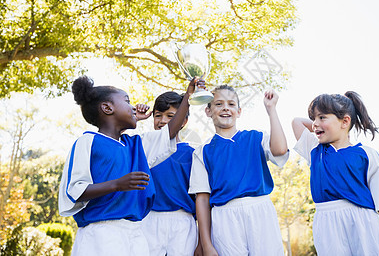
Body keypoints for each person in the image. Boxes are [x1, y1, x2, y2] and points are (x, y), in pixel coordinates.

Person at [58, 75, 197, 256]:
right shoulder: (88, 141)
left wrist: (188, 95)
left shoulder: (135, 145)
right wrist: (117, 184)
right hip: (101, 233)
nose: (133, 106)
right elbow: (75, 190)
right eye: (126, 101)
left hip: (135, 233)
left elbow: (170, 131)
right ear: (107, 108)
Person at [291, 91, 379, 256]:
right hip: (327, 225)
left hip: (363, 224)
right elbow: (296, 122)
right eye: (313, 118)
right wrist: (322, 125)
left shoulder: (367, 154)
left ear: (345, 121)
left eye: (322, 117)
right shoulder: (315, 150)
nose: (314, 123)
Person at [189, 85, 289, 256]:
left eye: (231, 104)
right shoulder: (202, 152)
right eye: (218, 104)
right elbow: (203, 200)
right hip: (225, 217)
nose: (226, 108)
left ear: (239, 111)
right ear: (208, 111)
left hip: (260, 210)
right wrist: (206, 244)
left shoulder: (256, 138)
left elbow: (280, 150)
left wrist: (271, 110)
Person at [140, 91, 201, 256]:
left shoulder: (192, 154)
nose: (163, 121)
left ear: (183, 120)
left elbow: (200, 198)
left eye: (171, 116)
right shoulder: (144, 150)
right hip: (149, 220)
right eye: (158, 115)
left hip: (182, 221)